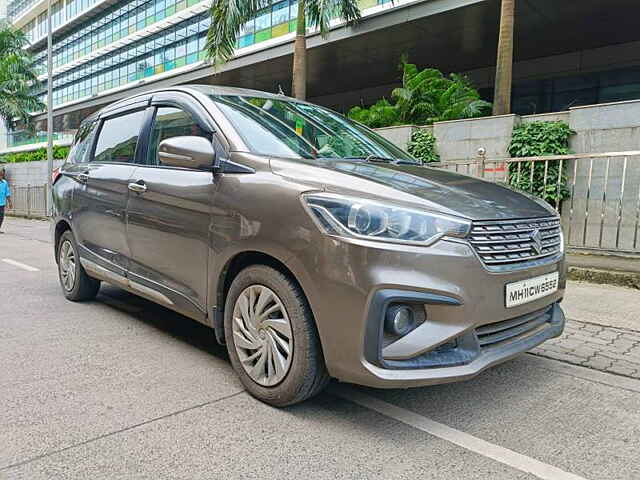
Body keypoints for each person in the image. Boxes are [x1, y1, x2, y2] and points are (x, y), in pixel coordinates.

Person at [0, 167, 12, 234]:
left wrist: (10, 202)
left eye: (2, 174)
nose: (1, 176)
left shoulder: (5, 182)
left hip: (2, 203)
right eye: (0, 174)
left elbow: (7, 193)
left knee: (1, 217)